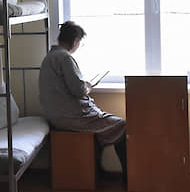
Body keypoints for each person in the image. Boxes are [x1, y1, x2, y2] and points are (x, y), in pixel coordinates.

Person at [38, 21, 128, 182]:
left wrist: (83, 86)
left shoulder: (49, 57)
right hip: (73, 117)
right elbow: (78, 91)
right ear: (75, 41)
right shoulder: (65, 58)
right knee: (122, 125)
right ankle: (129, 176)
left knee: (107, 128)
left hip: (56, 115)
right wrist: (87, 87)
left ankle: (98, 171)